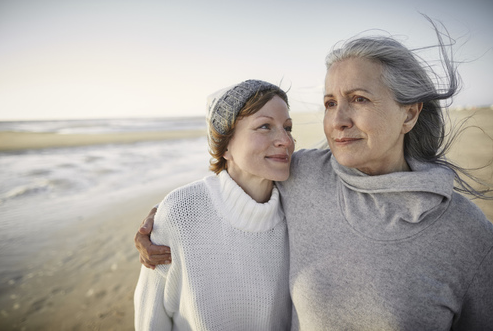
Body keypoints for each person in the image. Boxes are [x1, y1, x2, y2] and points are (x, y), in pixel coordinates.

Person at [136, 21, 493, 330]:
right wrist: (166, 220)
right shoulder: (305, 175)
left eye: (360, 99)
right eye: (330, 103)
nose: (338, 121)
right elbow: (237, 183)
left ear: (410, 114)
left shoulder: (468, 233)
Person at [134, 79, 294, 330]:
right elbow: (150, 316)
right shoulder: (180, 211)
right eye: (265, 126)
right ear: (225, 145)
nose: (286, 140)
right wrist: (164, 214)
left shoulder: (299, 207)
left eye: (288, 128)